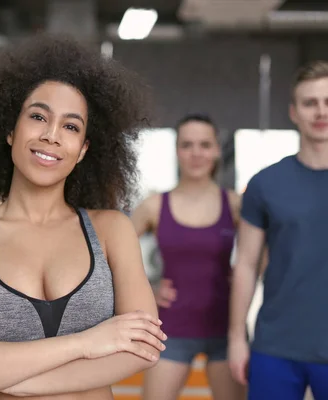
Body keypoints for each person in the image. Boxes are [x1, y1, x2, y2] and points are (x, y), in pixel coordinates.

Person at [0, 34, 167, 400]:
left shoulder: (111, 230)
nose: (52, 136)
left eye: (70, 126)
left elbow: (142, 348)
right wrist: (88, 343)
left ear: (84, 149)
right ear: (10, 130)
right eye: (38, 116)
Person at [229, 60, 328, 400]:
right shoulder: (265, 184)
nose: (320, 111)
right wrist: (236, 338)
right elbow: (245, 265)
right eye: (310, 102)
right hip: (276, 346)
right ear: (293, 112)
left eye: (327, 102)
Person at [130, 114, 245, 400]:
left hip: (225, 326)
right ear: (177, 150)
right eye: (187, 145)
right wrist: (146, 289)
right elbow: (108, 255)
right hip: (172, 328)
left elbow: (260, 258)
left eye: (205, 145)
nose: (196, 153)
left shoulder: (234, 204)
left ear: (217, 150)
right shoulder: (154, 206)